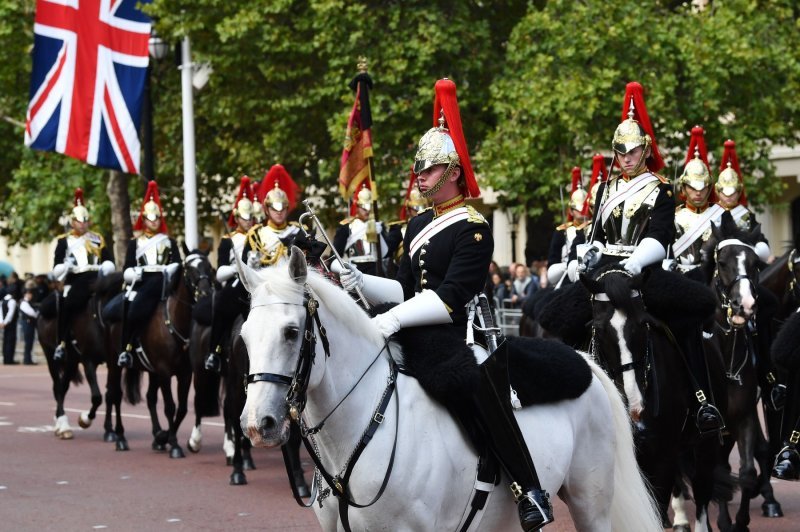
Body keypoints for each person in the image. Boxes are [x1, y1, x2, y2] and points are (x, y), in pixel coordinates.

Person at [338, 78, 552, 531]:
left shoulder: (473, 227)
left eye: (430, 169)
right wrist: (360, 281)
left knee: (473, 385)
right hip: (413, 326)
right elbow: (403, 287)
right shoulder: (416, 224)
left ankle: (527, 488)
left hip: (459, 332)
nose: (420, 175)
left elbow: (449, 298)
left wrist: (391, 319)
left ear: (453, 171)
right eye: (419, 168)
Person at [565, 82, 723, 433]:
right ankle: (562, 394)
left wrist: (637, 261)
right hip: (605, 269)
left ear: (645, 149)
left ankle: (701, 400)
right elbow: (599, 236)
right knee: (557, 314)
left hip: (644, 269)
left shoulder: (661, 187)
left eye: (634, 150)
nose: (627, 156)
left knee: (688, 317)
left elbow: (661, 234)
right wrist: (584, 257)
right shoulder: (606, 189)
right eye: (621, 151)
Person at [118, 181, 182, 368]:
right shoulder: (135, 243)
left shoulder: (169, 242)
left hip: (166, 282)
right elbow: (127, 268)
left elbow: (177, 262)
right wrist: (134, 273)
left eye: (156, 219)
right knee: (130, 306)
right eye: (150, 219)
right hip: (142, 282)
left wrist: (172, 268)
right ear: (144, 219)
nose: (153, 222)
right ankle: (127, 348)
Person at [51, 188, 115, 361]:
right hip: (76, 278)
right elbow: (56, 267)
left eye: (85, 221)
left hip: (97, 278)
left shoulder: (97, 238)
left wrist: (107, 266)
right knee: (67, 304)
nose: (83, 224)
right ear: (72, 222)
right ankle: (62, 343)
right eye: (79, 221)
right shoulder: (64, 241)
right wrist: (66, 266)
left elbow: (108, 259)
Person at [205, 176, 258, 373]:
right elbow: (219, 272)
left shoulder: (259, 235)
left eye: (251, 216)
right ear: (236, 217)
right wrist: (237, 268)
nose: (248, 220)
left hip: (257, 282)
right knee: (221, 309)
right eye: (245, 217)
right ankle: (214, 352)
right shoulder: (228, 240)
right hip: (236, 284)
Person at [670, 126, 723, 275]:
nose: (698, 192)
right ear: (684, 188)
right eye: (692, 187)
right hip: (682, 278)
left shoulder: (720, 214)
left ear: (709, 187)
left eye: (702, 187)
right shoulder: (674, 216)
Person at [714, 139, 771, 261]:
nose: (728, 196)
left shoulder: (746, 215)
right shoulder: (711, 212)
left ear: (739, 192)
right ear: (718, 192)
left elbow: (759, 238)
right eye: (724, 192)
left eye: (733, 192)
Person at [333, 182, 396, 276]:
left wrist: (379, 235)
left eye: (369, 207)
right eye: (363, 207)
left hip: (375, 271)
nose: (367, 210)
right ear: (357, 206)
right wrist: (345, 269)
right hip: (355, 270)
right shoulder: (346, 228)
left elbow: (385, 254)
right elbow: (335, 256)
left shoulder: (378, 225)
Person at [546, 167, 589, 287]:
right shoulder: (562, 231)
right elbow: (552, 262)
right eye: (578, 209)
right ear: (571, 210)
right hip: (566, 275)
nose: (582, 212)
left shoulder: (593, 227)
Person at [1, 276, 19, 365]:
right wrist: (5, 322)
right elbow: (10, 314)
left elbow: (1, 312)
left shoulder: (3, 300)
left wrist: (2, 322)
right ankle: (9, 359)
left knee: (6, 342)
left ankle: (6, 359)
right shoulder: (12, 301)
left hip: (4, 323)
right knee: (10, 342)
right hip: (10, 324)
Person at [19, 284, 39, 365]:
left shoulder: (29, 302)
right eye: (29, 294)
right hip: (27, 324)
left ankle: (28, 359)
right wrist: (37, 313)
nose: (30, 295)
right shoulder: (24, 303)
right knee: (28, 342)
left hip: (29, 324)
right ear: (25, 294)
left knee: (30, 342)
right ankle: (27, 360)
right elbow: (32, 313)